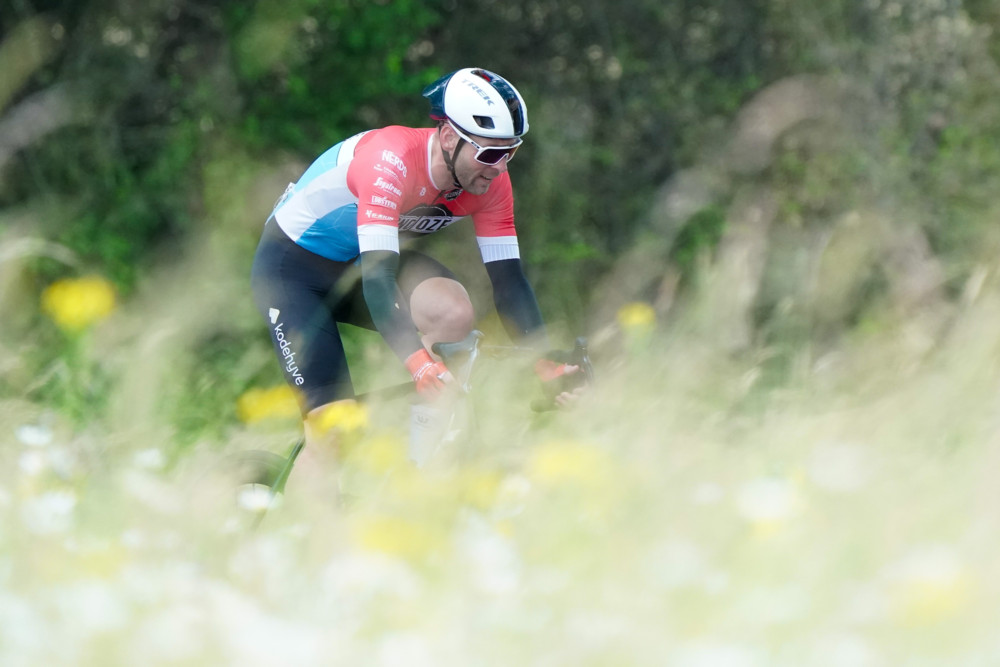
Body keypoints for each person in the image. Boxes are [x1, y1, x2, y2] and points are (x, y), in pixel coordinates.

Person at [250, 67, 582, 475]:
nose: (499, 167)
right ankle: (316, 532)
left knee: (453, 312)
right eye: (490, 153)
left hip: (361, 260)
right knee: (333, 432)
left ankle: (418, 471)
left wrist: (543, 361)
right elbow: (377, 279)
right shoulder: (390, 161)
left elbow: (509, 282)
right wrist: (419, 365)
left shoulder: (492, 183)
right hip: (294, 271)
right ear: (447, 136)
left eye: (510, 152)